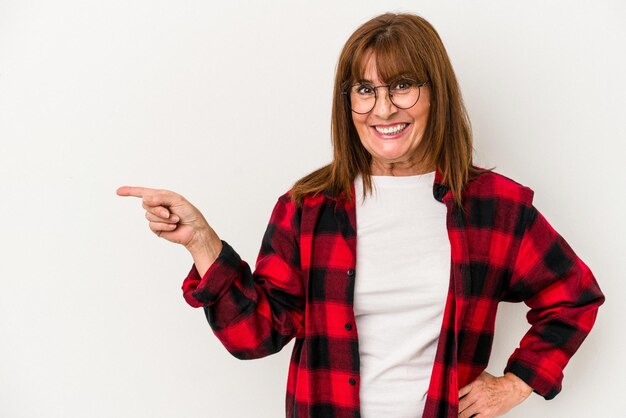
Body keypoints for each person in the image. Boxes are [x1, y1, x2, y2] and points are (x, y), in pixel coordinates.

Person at [117, 12, 604, 418]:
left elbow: (574, 297)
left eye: (403, 86)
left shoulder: (495, 207)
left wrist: (518, 382)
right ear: (347, 103)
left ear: (436, 94)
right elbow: (256, 337)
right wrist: (201, 242)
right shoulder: (307, 207)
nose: (384, 108)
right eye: (365, 90)